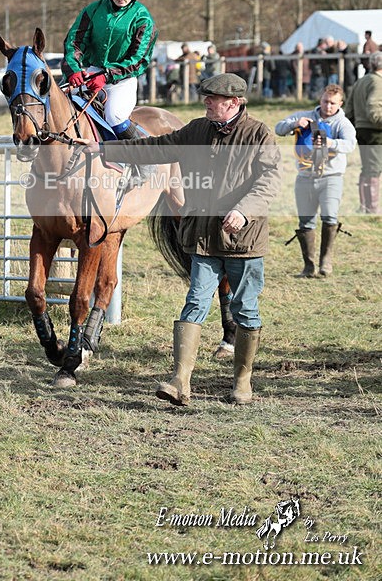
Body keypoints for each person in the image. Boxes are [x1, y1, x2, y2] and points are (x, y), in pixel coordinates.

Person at [82, 73, 281, 406]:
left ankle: (242, 382)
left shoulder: (259, 134)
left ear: (233, 102)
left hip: (243, 241)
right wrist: (106, 149)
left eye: (212, 98)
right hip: (202, 238)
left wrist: (244, 211)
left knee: (245, 309)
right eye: (205, 97)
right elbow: (155, 148)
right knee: (194, 304)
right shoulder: (197, 129)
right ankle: (179, 382)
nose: (205, 102)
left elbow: (270, 182)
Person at [62, 0, 157, 142]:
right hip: (89, 73)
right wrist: (73, 69)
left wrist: (107, 75)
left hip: (122, 80)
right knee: (55, 104)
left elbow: (138, 61)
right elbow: (74, 42)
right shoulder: (93, 10)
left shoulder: (143, 19)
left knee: (114, 116)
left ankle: (144, 160)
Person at [275, 84, 356, 277]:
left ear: (340, 103)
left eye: (333, 103)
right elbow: (279, 128)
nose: (328, 106)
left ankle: (325, 262)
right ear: (320, 99)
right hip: (304, 177)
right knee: (306, 221)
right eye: (325, 101)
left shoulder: (342, 123)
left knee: (329, 217)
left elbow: (351, 144)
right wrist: (294, 124)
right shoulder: (305, 115)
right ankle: (309, 266)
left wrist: (331, 143)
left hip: (331, 176)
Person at [344, 51, 382, 215]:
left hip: (361, 130)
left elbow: (349, 111)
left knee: (367, 168)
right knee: (373, 169)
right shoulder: (378, 82)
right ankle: (372, 209)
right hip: (375, 131)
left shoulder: (361, 81)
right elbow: (374, 110)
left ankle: (365, 206)